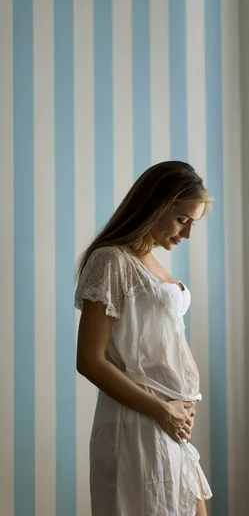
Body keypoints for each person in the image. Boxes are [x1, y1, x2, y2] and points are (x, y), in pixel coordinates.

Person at [75, 161, 213, 516]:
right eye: (182, 220)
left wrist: (175, 407)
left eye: (193, 223)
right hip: (138, 420)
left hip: (169, 424)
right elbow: (89, 360)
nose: (187, 234)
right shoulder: (111, 261)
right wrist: (161, 409)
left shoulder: (149, 258)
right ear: (155, 204)